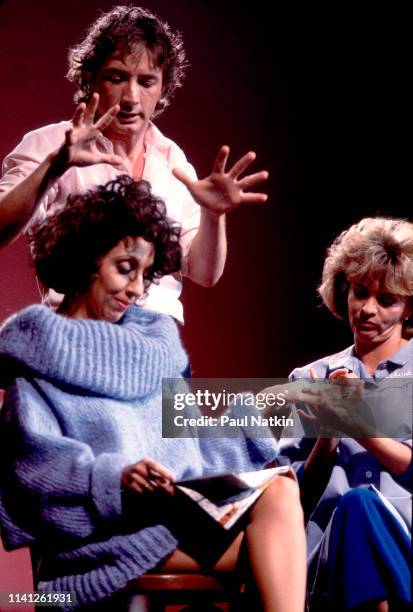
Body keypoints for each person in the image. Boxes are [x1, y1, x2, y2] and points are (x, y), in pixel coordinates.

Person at [0, 176, 306, 612]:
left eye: (145, 274)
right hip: (98, 542)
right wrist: (115, 476)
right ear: (87, 259)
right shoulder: (37, 355)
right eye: (125, 268)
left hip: (174, 522)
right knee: (278, 549)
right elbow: (34, 473)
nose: (136, 288)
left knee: (280, 492)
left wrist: (270, 414)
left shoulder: (155, 347)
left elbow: (194, 448)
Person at [0, 4, 268, 322]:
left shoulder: (173, 161)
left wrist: (214, 214)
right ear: (91, 78)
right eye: (117, 77)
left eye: (146, 82)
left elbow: (203, 273)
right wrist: (54, 166)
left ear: (163, 86)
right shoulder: (51, 144)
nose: (131, 97)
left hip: (156, 342)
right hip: (79, 332)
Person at [279, 217, 412, 611]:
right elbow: (293, 497)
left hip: (405, 548)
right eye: (360, 293)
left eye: (386, 300)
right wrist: (329, 432)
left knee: (361, 505)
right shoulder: (310, 378)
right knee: (353, 507)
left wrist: (358, 425)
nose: (368, 309)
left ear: (409, 307)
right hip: (327, 562)